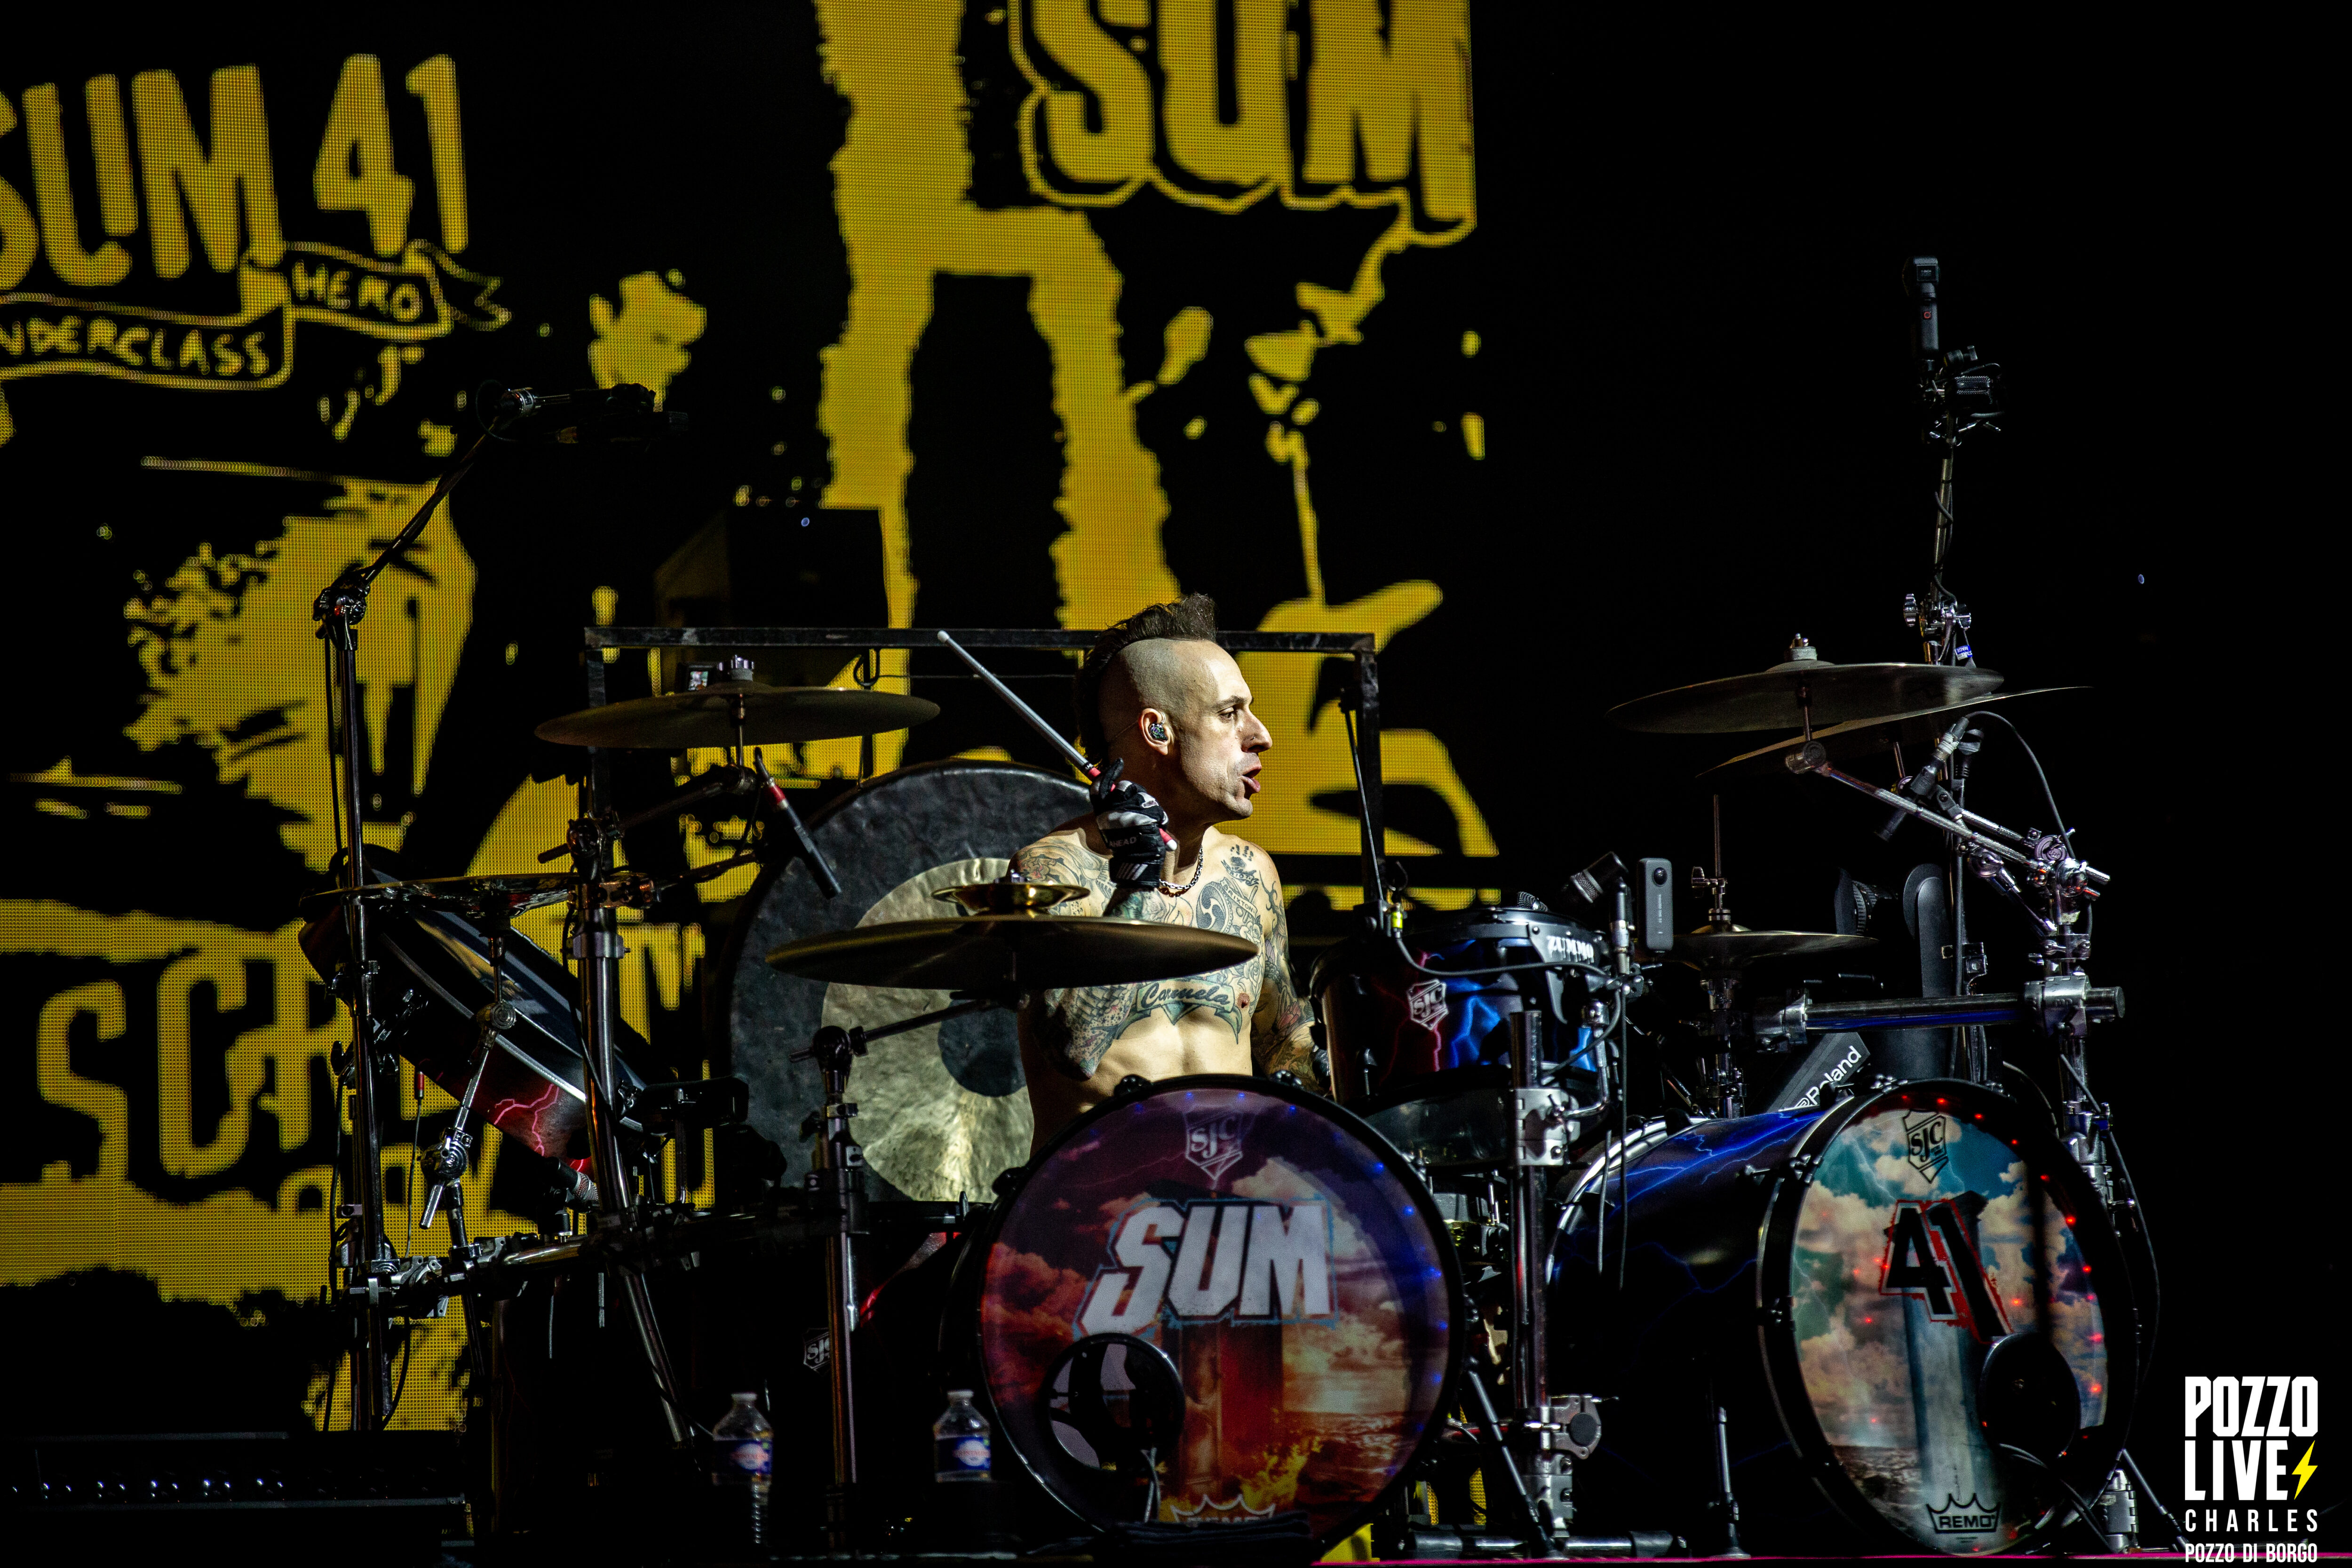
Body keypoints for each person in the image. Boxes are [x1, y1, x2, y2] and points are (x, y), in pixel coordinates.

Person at [1012, 594, 1320, 1143]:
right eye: (1228, 714)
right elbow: (1074, 1052)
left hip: (1226, 1183)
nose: (1261, 736)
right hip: (1100, 1188)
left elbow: (1284, 1048)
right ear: (1157, 731)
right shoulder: (1053, 871)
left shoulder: (1250, 872)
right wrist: (1136, 877)